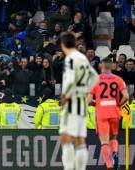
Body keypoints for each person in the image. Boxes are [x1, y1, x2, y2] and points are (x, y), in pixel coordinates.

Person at [59, 32, 99, 170]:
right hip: (81, 103)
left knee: (66, 139)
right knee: (80, 141)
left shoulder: (71, 59)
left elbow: (70, 82)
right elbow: (95, 78)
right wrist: (88, 93)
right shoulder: (82, 58)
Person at [88, 58, 129, 170]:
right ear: (112, 66)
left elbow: (88, 100)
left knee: (104, 142)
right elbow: (126, 97)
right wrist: (118, 105)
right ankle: (115, 152)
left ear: (101, 66)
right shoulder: (119, 79)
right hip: (115, 112)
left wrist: (94, 103)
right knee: (113, 138)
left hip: (102, 113)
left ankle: (109, 166)